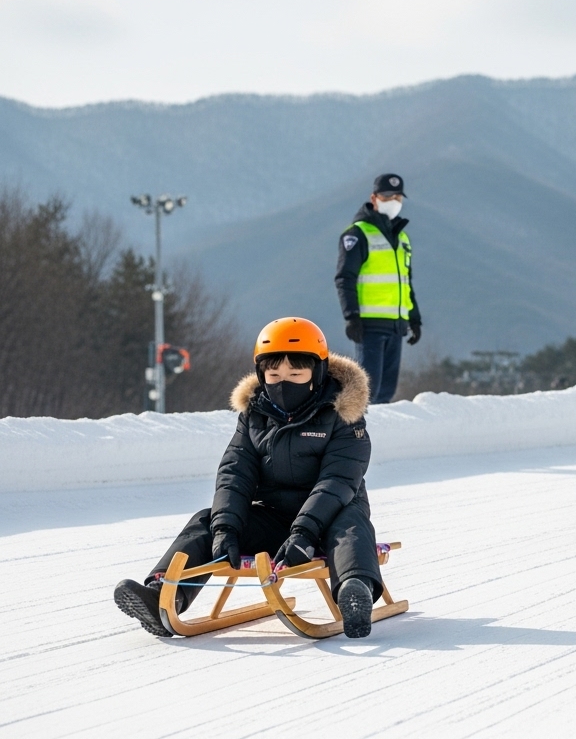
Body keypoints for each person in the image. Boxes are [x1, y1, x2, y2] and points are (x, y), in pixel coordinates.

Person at [113, 318, 383, 638]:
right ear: (261, 375)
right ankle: (162, 596)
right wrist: (225, 529)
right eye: (274, 375)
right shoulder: (254, 415)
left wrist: (305, 531)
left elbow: (338, 481)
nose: (284, 383)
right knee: (206, 520)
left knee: (352, 524)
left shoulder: (343, 414)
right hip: (273, 518)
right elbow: (234, 473)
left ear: (317, 373)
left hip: (329, 518)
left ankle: (354, 592)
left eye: (296, 375)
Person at [336, 173, 422, 405]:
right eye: (387, 196)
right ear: (374, 198)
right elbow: (345, 277)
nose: (393, 200)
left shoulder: (401, 238)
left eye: (397, 196)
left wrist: (414, 319)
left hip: (396, 325)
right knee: (367, 394)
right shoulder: (358, 234)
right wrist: (351, 316)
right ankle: (355, 438)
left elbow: (405, 283)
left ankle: (381, 439)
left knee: (386, 393)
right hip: (369, 325)